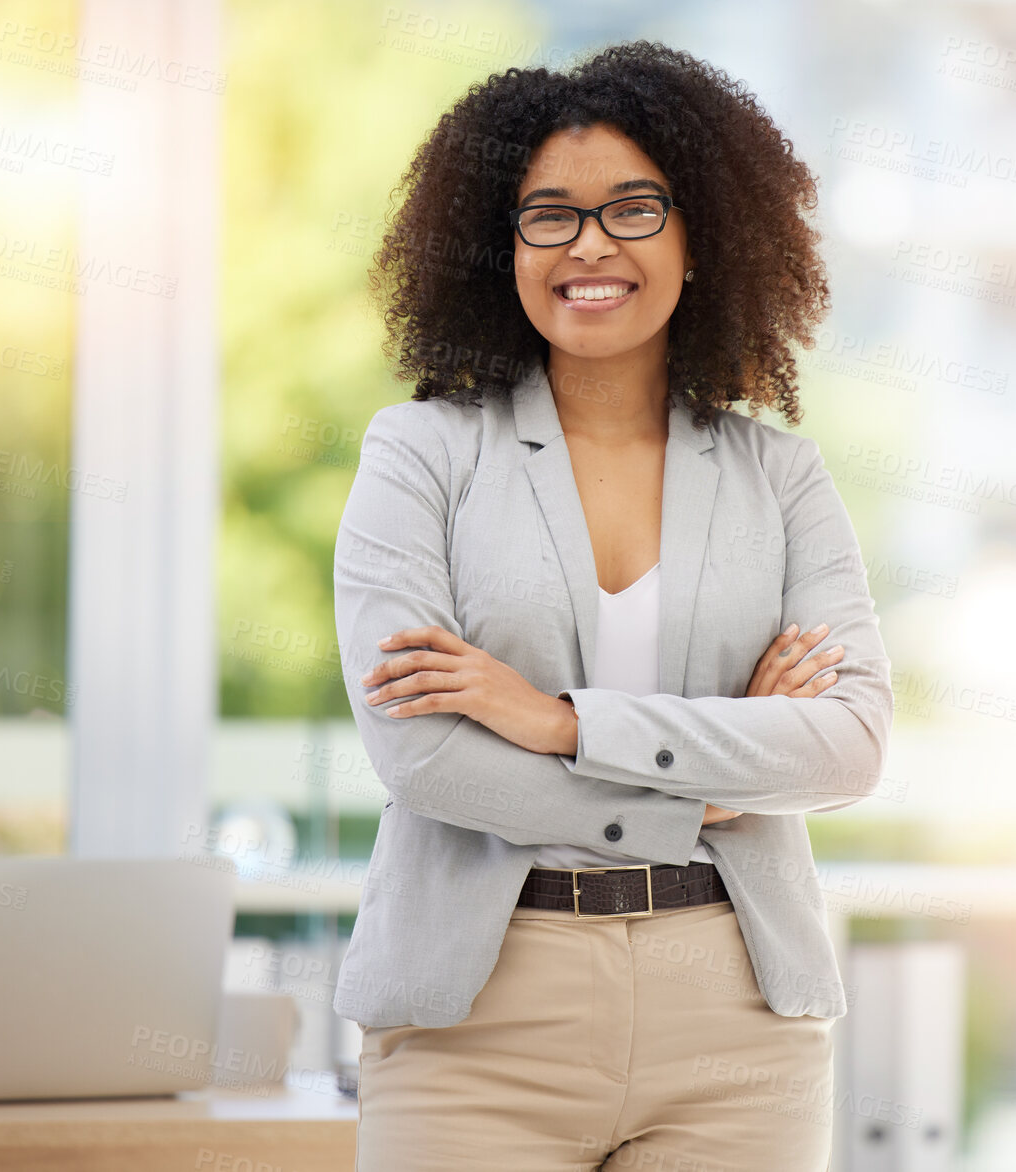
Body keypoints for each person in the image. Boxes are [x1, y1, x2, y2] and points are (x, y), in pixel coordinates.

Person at [329, 40, 895, 1172]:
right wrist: (712, 785)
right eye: (550, 214)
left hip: (736, 1016)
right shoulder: (420, 454)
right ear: (504, 246)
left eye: (634, 208)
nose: (589, 243)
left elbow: (848, 742)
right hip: (479, 1022)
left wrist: (562, 720)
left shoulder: (779, 475)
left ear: (706, 236)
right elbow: (425, 755)